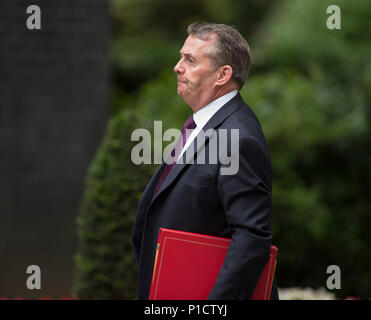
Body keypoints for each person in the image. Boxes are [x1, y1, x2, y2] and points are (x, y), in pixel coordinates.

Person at [132, 23, 277, 300]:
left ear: (223, 74)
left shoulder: (238, 137)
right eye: (181, 56)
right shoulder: (202, 124)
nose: (177, 66)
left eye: (190, 60)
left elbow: (251, 238)